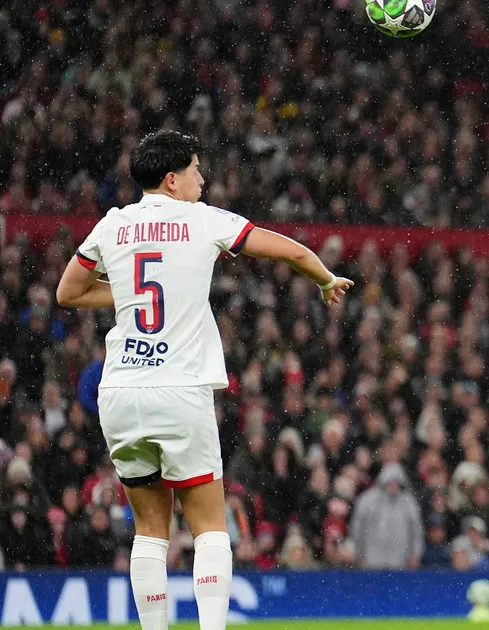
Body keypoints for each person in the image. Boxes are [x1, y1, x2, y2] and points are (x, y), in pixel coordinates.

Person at [55, 130, 353, 630]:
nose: (203, 178)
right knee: (211, 525)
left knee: (149, 529)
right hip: (179, 386)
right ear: (172, 180)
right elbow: (288, 251)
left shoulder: (113, 225)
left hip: (122, 390)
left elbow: (68, 292)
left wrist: (132, 294)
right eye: (196, 169)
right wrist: (324, 277)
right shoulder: (201, 218)